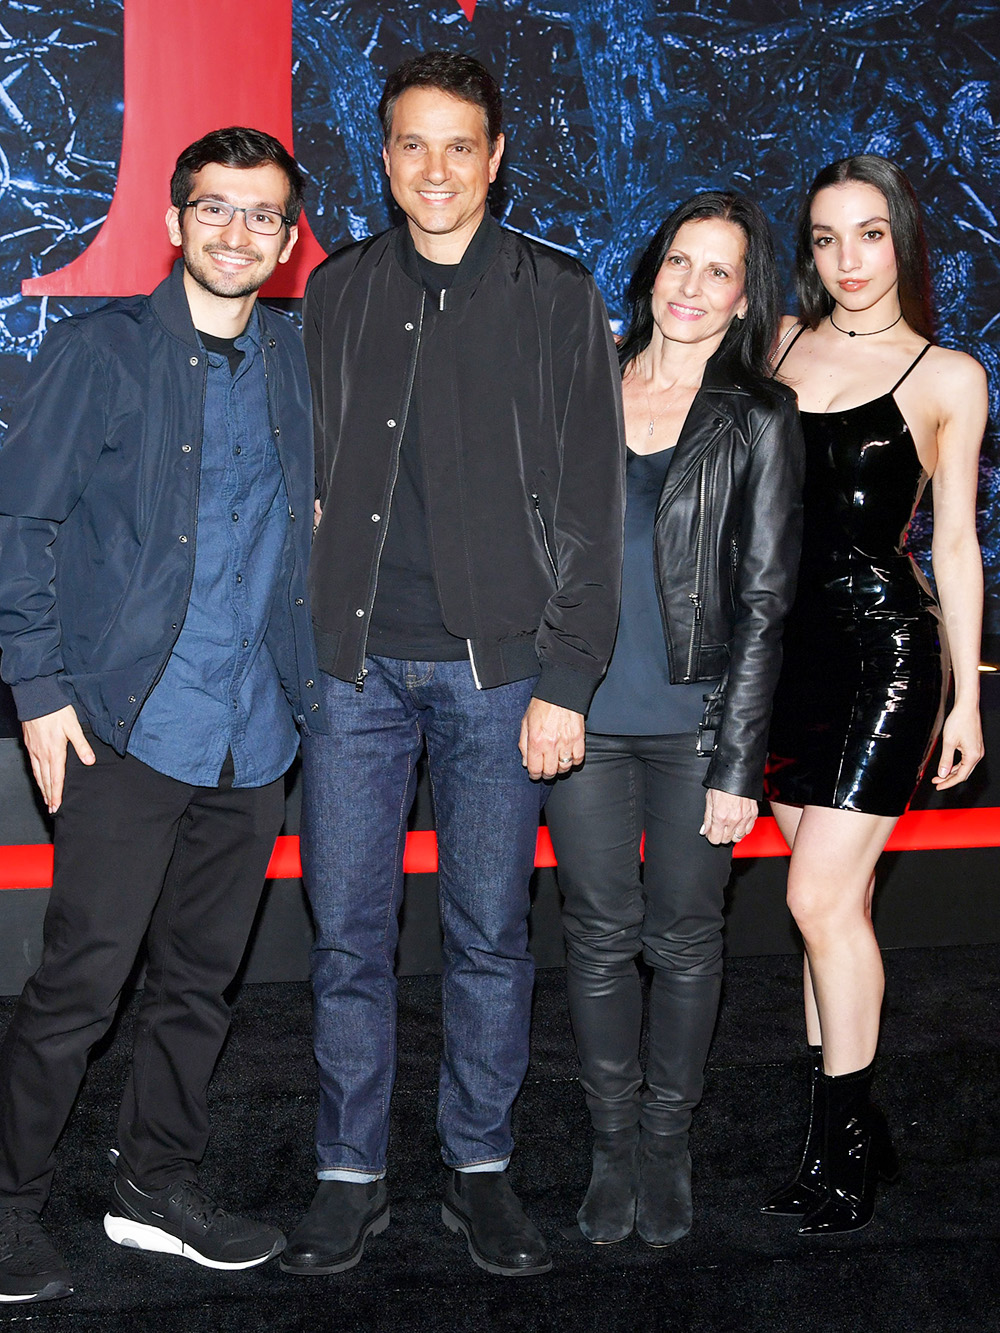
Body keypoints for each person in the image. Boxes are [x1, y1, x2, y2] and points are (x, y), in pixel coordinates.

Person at [281, 52, 624, 1279]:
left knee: (488, 934)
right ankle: (349, 1174)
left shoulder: (555, 295)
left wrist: (568, 677)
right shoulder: (335, 292)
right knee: (346, 938)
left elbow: (591, 502)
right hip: (354, 669)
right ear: (383, 159)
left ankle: (479, 1169)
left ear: (494, 158)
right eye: (410, 145)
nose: (434, 169)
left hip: (500, 679)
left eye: (458, 145)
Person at [0, 126, 323, 1303]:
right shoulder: (99, 353)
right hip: (122, 726)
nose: (239, 232)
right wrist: (37, 692)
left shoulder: (297, 357)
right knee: (81, 984)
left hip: (255, 732)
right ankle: (6, 1206)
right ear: (174, 222)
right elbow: (18, 525)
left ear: (289, 241)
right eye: (217, 209)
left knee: (200, 981)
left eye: (263, 215)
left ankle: (155, 1190)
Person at [544, 192, 804, 1247]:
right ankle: (611, 1147)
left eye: (718, 271)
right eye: (678, 263)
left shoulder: (758, 414)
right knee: (598, 939)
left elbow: (766, 599)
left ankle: (667, 1142)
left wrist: (739, 760)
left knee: (687, 941)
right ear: (650, 269)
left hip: (700, 728)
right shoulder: (581, 388)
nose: (691, 287)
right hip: (583, 721)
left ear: (745, 297)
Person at [762, 154, 986, 1235]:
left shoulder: (947, 375)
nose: (847, 260)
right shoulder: (775, 347)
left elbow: (954, 546)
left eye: (868, 234)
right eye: (823, 237)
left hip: (884, 657)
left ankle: (840, 1143)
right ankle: (847, 1116)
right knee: (829, 911)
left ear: (902, 239)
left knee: (815, 900)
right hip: (780, 664)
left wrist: (969, 702)